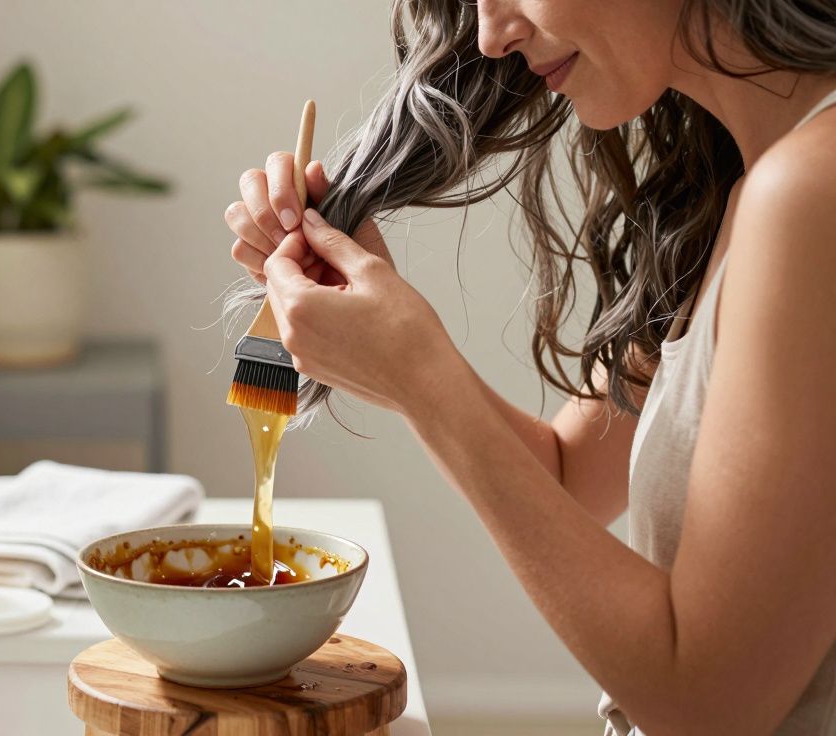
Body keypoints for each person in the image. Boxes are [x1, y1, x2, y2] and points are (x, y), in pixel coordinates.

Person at [223, 0, 836, 732]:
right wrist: (391, 361)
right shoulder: (740, 183)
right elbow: (570, 473)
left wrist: (424, 380)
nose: (490, 34)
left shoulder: (811, 194)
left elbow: (711, 698)